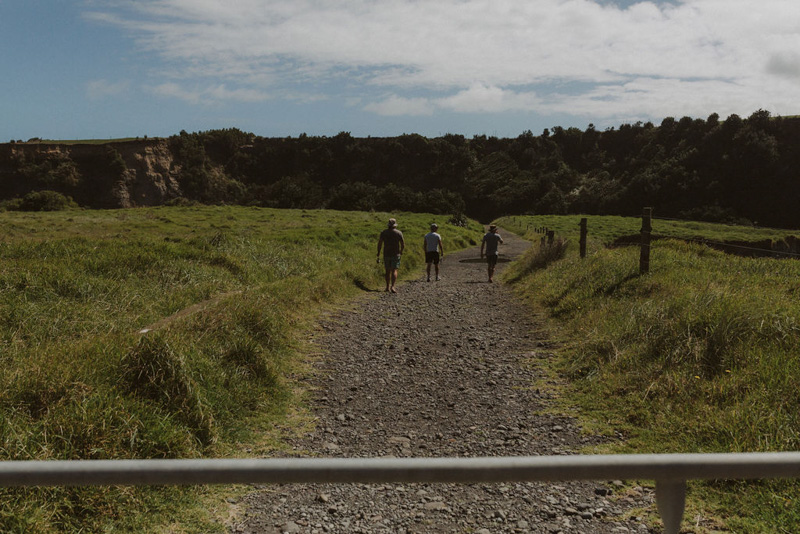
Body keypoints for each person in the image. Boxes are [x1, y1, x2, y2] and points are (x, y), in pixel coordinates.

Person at [377, 218, 405, 293]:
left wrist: (378, 253)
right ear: (395, 225)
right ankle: (392, 286)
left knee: (387, 270)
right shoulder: (399, 233)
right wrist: (401, 251)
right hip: (395, 253)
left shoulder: (384, 233)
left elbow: (380, 243)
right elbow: (402, 244)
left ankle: (387, 287)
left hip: (386, 253)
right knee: (394, 270)